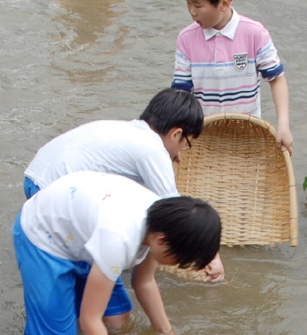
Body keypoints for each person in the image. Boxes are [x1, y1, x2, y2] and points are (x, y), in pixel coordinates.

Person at [14, 171, 220, 335]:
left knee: (118, 320)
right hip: (45, 235)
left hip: (83, 230)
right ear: (162, 241)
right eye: (180, 261)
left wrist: (167, 333)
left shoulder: (164, 225)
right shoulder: (119, 238)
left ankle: (75, 325)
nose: (178, 266)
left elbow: (144, 281)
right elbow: (90, 319)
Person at [23, 88, 225, 282]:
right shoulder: (152, 150)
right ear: (175, 134)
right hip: (52, 191)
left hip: (37, 176)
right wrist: (210, 255)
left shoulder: (132, 131)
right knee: (98, 261)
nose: (181, 151)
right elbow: (174, 208)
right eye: (185, 144)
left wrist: (170, 154)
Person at [173, 0, 291, 154]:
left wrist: (284, 125)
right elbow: (181, 94)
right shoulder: (186, 38)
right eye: (188, 3)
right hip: (205, 137)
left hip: (247, 137)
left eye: (198, 5)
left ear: (224, 3)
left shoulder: (254, 33)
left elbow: (277, 79)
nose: (192, 11)